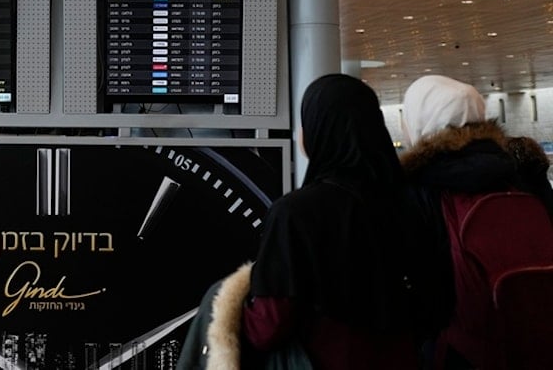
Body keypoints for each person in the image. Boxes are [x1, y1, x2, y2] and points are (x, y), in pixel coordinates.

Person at [180, 74, 432, 369]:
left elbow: (268, 328)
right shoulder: (411, 202)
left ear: (318, 129)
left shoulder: (295, 213)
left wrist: (223, 306)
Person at [400, 74, 553, 369]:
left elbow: (422, 287)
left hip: (459, 348)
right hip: (527, 341)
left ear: (422, 120)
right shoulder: (516, 175)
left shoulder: (422, 188)